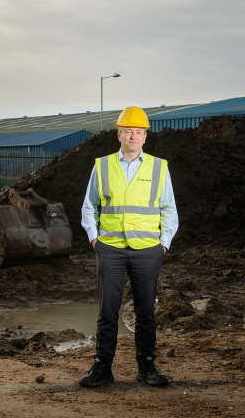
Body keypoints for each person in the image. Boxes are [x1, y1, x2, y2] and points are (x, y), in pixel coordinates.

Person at [79, 106, 179, 388]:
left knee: (146, 311)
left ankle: (146, 365)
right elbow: (89, 207)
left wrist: (163, 245)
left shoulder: (159, 167)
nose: (133, 136)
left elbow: (169, 209)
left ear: (145, 137)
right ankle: (102, 366)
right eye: (128, 131)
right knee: (107, 311)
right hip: (110, 249)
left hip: (148, 251)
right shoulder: (102, 165)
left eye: (138, 131)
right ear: (119, 134)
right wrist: (94, 239)